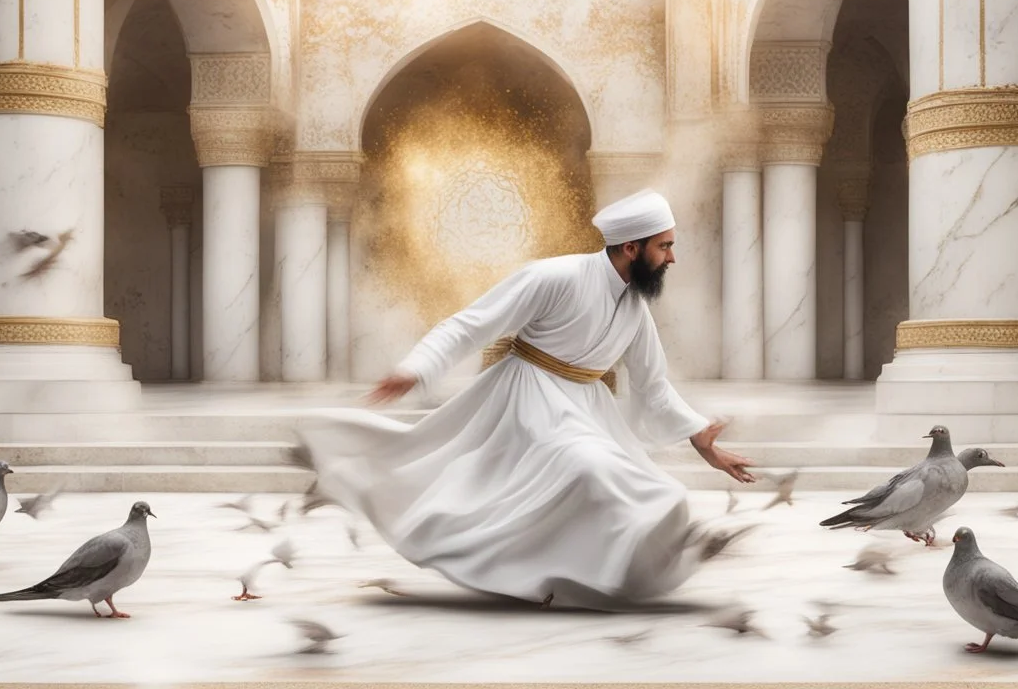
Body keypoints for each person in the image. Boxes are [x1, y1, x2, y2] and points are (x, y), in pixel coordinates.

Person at [292, 188, 757, 611]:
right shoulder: (554, 276)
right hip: (527, 399)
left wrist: (702, 441)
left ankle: (637, 569)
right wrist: (416, 367)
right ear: (631, 247)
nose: (672, 258)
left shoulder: (634, 307)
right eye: (665, 245)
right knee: (588, 466)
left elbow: (654, 385)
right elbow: (471, 324)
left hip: (586, 410)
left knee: (660, 492)